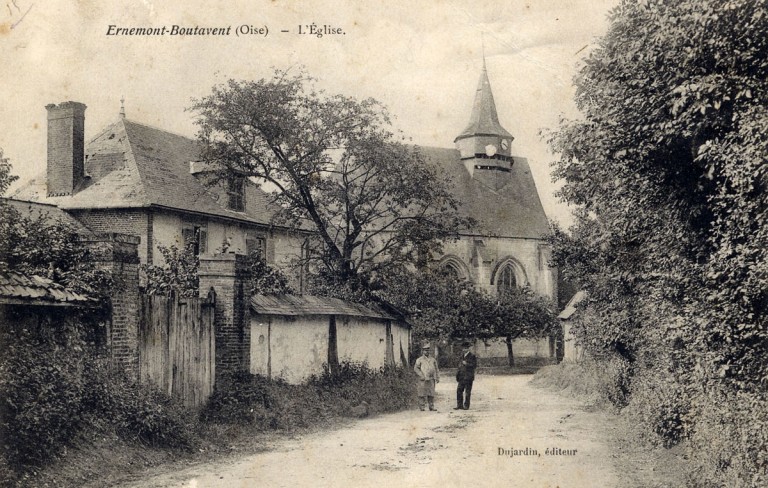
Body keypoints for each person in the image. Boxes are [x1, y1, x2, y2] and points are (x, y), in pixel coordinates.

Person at [414, 343, 439, 411]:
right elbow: (416, 369)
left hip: (431, 378)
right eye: (425, 350)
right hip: (423, 379)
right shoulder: (419, 359)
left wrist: (437, 377)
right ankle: (422, 407)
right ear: (423, 351)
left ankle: (431, 406)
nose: (427, 352)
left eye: (428, 350)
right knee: (421, 392)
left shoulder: (433, 359)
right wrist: (421, 375)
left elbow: (436, 369)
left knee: (431, 392)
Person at [455, 341, 477, 410]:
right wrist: (457, 375)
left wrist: (466, 364)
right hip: (461, 377)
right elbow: (459, 367)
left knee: (467, 392)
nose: (464, 350)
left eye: (466, 348)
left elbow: (474, 365)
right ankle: (459, 405)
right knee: (459, 390)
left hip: (468, 377)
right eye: (463, 348)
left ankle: (466, 405)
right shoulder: (461, 356)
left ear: (468, 349)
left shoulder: (472, 356)